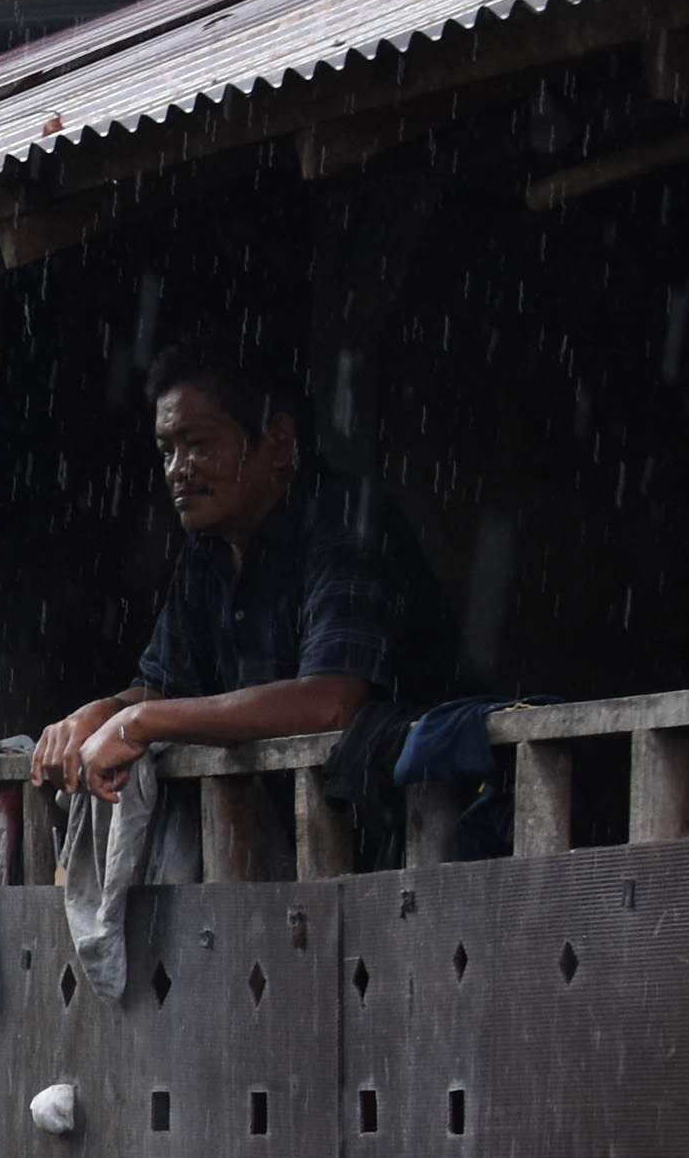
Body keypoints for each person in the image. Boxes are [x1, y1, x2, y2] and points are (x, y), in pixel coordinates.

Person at [32, 348, 451, 824]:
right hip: (300, 833)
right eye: (167, 450)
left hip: (411, 822)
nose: (177, 470)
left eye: (199, 445)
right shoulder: (205, 551)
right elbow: (166, 687)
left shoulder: (345, 521)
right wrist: (105, 711)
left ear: (277, 441)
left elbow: (331, 704)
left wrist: (136, 723)